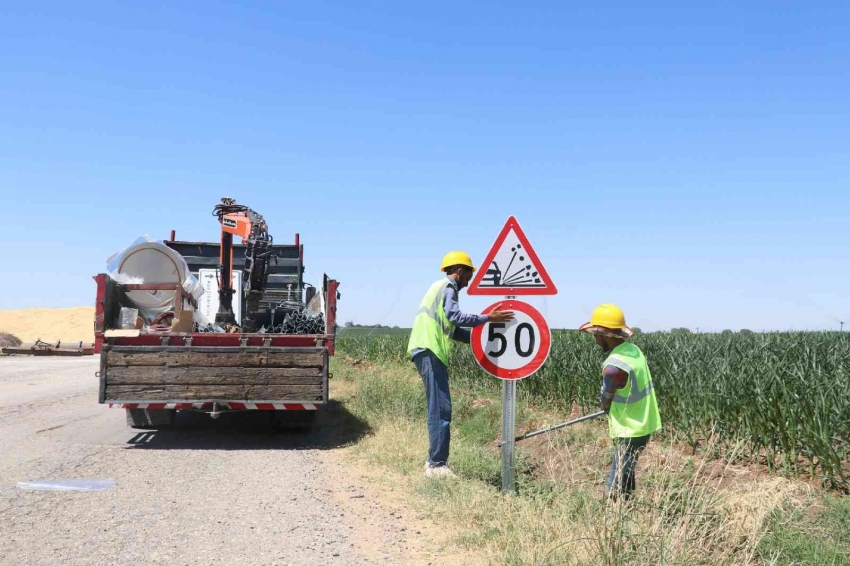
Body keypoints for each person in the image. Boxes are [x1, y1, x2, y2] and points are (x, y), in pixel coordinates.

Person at [407, 251, 514, 478]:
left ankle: (434, 461)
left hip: (426, 350)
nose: (469, 281)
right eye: (469, 275)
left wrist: (480, 341)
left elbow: (452, 329)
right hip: (430, 350)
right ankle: (437, 465)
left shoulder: (437, 288)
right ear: (459, 271)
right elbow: (455, 317)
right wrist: (487, 319)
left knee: (439, 408)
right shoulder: (448, 288)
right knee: (441, 409)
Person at [579, 304, 661, 499]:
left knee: (616, 482)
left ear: (606, 335)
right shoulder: (632, 350)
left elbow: (605, 400)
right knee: (627, 473)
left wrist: (607, 407)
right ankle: (629, 507)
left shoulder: (613, 367)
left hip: (630, 428)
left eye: (596, 334)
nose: (595, 339)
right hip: (644, 421)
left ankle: (614, 516)